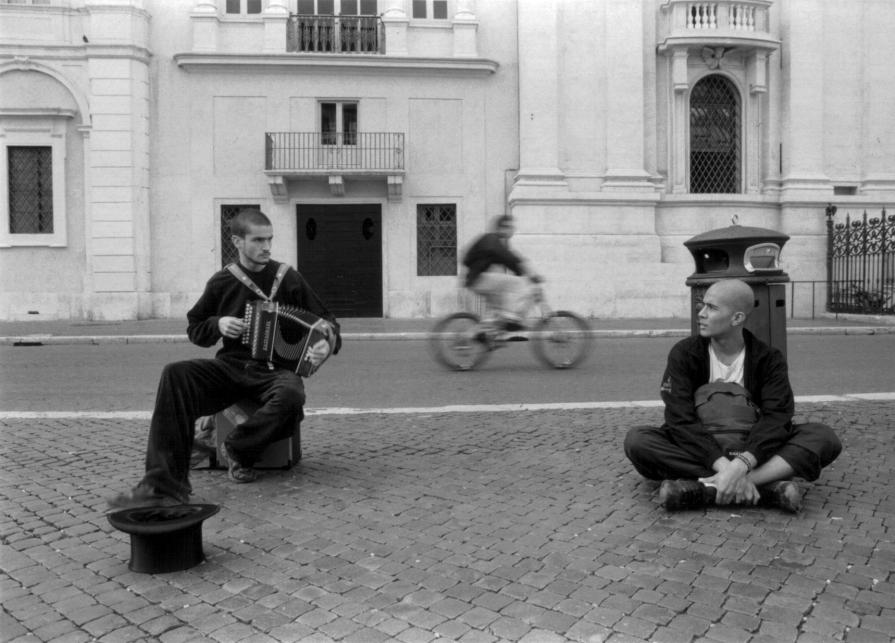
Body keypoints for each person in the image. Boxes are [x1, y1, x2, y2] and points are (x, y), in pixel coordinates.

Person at [109, 208, 341, 508]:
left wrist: (326, 343)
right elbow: (195, 328)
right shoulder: (222, 281)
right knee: (175, 374)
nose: (267, 247)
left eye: (270, 240)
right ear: (237, 242)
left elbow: (327, 321)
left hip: (273, 372)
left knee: (292, 393)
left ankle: (237, 449)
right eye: (258, 240)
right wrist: (217, 324)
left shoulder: (287, 278)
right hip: (231, 367)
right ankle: (164, 484)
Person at [624, 279, 841, 513]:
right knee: (638, 441)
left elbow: (776, 418)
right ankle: (763, 486)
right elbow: (680, 418)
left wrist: (743, 463)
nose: (701, 313)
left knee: (824, 437)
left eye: (712, 308)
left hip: (751, 447)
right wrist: (727, 467)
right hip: (702, 448)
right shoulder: (685, 353)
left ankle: (709, 487)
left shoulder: (767, 359)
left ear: (737, 318)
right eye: (702, 305)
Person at [462, 214, 542, 330]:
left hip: (475, 280)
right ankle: (512, 318)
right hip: (477, 279)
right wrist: (523, 271)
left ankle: (484, 334)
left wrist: (521, 270)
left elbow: (506, 258)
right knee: (517, 283)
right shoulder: (491, 239)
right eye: (510, 227)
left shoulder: (495, 242)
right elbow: (506, 256)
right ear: (502, 227)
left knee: (496, 314)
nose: (512, 230)